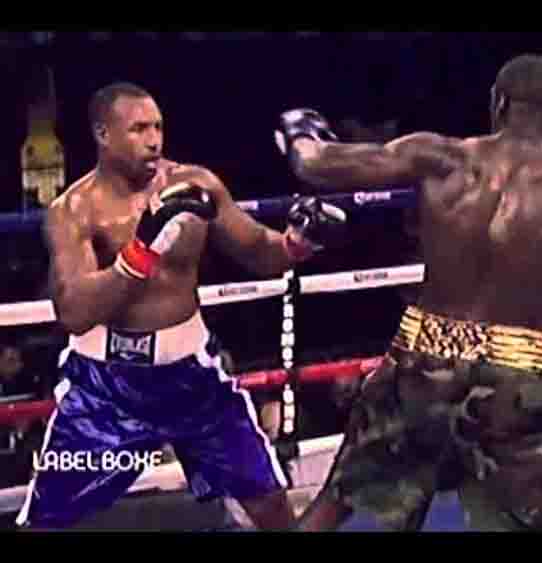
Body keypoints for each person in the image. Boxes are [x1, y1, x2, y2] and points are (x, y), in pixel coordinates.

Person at [274, 54, 542, 531]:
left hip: (421, 358)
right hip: (512, 375)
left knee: (336, 501)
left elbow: (316, 165)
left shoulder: (440, 157)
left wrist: (301, 133)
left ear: (497, 103)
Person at [17, 82, 346, 530]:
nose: (153, 140)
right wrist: (139, 254)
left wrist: (296, 244)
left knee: (269, 501)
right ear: (102, 134)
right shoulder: (75, 209)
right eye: (138, 129)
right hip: (106, 389)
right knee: (47, 520)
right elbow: (73, 313)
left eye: (158, 127)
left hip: (194, 380)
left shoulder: (195, 184)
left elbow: (257, 249)